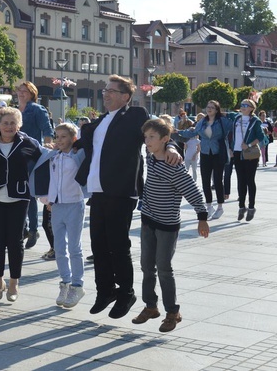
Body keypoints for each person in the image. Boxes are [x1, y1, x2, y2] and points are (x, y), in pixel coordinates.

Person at [75, 75, 180, 319]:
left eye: (112, 91)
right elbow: (82, 141)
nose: (106, 95)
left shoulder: (135, 115)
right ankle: (105, 290)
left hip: (121, 190)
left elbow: (159, 131)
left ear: (125, 96)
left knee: (117, 245)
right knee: (99, 245)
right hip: (98, 190)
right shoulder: (101, 120)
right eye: (105, 91)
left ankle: (126, 293)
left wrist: (172, 146)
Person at [132, 118, 209, 332]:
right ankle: (150, 306)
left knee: (164, 269)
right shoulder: (150, 156)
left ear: (164, 139)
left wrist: (202, 217)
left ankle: (172, 312)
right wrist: (172, 145)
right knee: (147, 267)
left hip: (167, 225)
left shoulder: (173, 166)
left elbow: (192, 191)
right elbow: (168, 141)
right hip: (148, 220)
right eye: (145, 137)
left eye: (152, 137)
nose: (147, 141)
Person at [0, 107, 43, 303]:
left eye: (13, 123)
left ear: (19, 125)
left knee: (15, 242)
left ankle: (14, 282)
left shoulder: (28, 143)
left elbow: (43, 162)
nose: (9, 127)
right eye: (5, 123)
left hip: (19, 199)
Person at [33, 122, 87, 308]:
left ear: (73, 139)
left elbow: (91, 146)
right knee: (59, 246)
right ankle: (65, 282)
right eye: (57, 136)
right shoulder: (54, 156)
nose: (59, 140)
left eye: (64, 136)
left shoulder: (78, 155)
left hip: (74, 204)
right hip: (56, 206)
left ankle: (77, 285)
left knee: (74, 247)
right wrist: (50, 200)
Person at [176, 100, 232, 220]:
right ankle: (209, 206)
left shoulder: (222, 121)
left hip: (218, 153)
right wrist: (178, 132)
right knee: (205, 181)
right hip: (206, 153)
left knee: (217, 180)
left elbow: (234, 123)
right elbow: (193, 132)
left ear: (217, 110)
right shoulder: (202, 121)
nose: (209, 109)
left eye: (212, 107)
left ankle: (220, 207)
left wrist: (229, 114)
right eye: (208, 107)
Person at [229, 99, 266, 221]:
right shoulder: (237, 119)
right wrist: (231, 148)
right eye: (242, 105)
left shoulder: (254, 121)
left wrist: (249, 145)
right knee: (241, 180)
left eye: (246, 105)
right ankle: (241, 206)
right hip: (238, 153)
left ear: (251, 108)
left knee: (250, 180)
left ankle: (251, 207)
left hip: (249, 154)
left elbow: (260, 137)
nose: (243, 107)